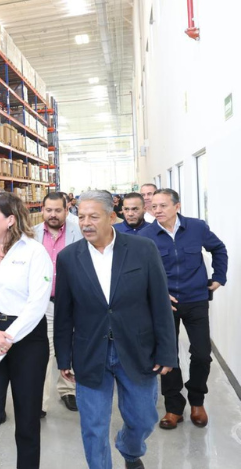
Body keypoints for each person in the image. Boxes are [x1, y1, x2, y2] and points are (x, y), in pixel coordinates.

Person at [55, 190, 177, 469]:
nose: (86, 223)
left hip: (136, 349)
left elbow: (160, 303)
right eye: (81, 217)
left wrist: (167, 352)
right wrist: (63, 357)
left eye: (93, 217)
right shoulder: (69, 257)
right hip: (90, 350)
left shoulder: (143, 249)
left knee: (143, 418)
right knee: (93, 426)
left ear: (112, 216)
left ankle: (130, 449)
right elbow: (63, 313)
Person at [0, 192, 52, 469]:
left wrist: (7, 338)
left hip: (27, 339)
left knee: (27, 417)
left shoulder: (35, 252)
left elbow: (37, 302)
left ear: (11, 219)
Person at [139, 188, 228, 430]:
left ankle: (197, 401)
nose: (157, 210)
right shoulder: (146, 235)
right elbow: (140, 270)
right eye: (154, 206)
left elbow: (218, 249)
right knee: (168, 356)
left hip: (196, 299)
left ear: (177, 206)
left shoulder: (196, 227)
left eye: (163, 206)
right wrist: (155, 294)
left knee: (201, 354)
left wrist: (219, 277)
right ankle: (174, 407)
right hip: (164, 304)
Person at [33, 191, 82, 416]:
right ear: (42, 210)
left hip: (73, 303)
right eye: (49, 210)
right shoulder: (31, 234)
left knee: (71, 346)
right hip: (44, 304)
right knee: (42, 352)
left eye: (58, 210)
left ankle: (68, 390)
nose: (53, 214)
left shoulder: (79, 232)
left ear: (66, 210)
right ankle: (39, 402)